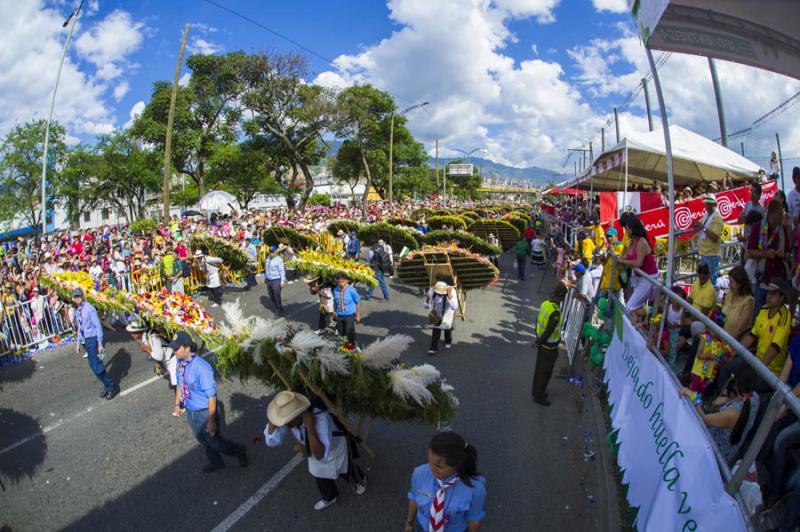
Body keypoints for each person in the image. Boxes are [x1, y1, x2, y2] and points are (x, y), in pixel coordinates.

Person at [264, 391, 367, 511]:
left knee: (343, 468)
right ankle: (330, 497)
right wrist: (274, 420)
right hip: (314, 449)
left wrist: (310, 428)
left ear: (295, 417)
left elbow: (320, 454)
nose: (282, 424)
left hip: (333, 448)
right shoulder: (289, 423)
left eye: (283, 420)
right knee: (318, 473)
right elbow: (271, 442)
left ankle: (360, 479)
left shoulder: (321, 419)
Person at [171, 331, 248, 473]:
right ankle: (216, 462)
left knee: (215, 442)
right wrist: (178, 404)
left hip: (205, 412)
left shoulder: (202, 367)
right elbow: (180, 384)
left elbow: (211, 396)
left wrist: (211, 420)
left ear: (187, 348)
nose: (174, 351)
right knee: (202, 440)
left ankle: (239, 450)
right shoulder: (180, 363)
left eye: (176, 348)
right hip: (191, 410)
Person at [405, 431, 486, 532]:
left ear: (457, 464)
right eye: (430, 462)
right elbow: (414, 498)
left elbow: (474, 520)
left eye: (439, 466)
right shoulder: (419, 473)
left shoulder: (475, 488)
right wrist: (409, 523)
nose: (431, 468)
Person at [680, 364, 759, 464]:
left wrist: (692, 395)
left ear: (736, 383)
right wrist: (728, 400)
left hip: (713, 456)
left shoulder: (732, 414)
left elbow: (703, 419)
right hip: (727, 450)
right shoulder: (755, 398)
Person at [126, 319, 181, 415]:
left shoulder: (152, 337)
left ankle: (179, 405)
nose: (132, 335)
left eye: (133, 333)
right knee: (178, 381)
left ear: (139, 332)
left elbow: (158, 355)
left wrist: (147, 350)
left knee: (177, 383)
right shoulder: (145, 337)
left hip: (172, 360)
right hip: (167, 361)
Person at [73, 287, 119, 399]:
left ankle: (112, 387)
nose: (77, 298)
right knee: (94, 366)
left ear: (82, 296)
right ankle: (107, 385)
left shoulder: (89, 309)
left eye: (79, 296)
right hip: (86, 341)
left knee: (97, 367)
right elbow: (80, 327)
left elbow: (98, 326)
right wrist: (78, 343)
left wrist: (100, 343)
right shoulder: (78, 310)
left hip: (93, 339)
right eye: (75, 297)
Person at [747, 200, 788, 313]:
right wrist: (766, 253)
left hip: (777, 279)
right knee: (759, 311)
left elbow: (788, 254)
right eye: (781, 213)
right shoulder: (758, 227)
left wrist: (784, 255)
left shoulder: (782, 229)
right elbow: (750, 252)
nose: (782, 216)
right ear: (773, 214)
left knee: (775, 313)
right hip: (763, 277)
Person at [532, 284, 567, 406]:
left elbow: (537, 321)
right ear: (562, 297)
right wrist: (538, 342)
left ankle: (536, 391)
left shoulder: (546, 303)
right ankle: (539, 396)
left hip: (542, 344)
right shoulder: (555, 312)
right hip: (549, 347)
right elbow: (549, 330)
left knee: (539, 369)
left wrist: (537, 339)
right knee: (545, 372)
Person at [618, 218, 658, 322]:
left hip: (648, 279)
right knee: (633, 307)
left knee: (630, 308)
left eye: (627, 229)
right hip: (638, 278)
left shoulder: (642, 242)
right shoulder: (631, 242)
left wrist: (623, 261)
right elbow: (627, 255)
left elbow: (638, 262)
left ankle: (655, 311)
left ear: (632, 229)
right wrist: (623, 258)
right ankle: (640, 322)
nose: (626, 231)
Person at [693, 195, 723, 282]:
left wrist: (702, 227)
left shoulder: (717, 218)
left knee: (709, 282)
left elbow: (715, 237)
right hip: (705, 252)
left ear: (714, 205)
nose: (708, 206)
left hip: (711, 254)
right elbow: (702, 225)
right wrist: (696, 224)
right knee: (704, 280)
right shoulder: (707, 215)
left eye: (710, 204)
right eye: (707, 204)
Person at [427, 281, 459, 354]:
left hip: (448, 312)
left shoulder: (452, 291)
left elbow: (455, 307)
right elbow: (426, 306)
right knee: (436, 329)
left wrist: (450, 295)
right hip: (437, 313)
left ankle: (448, 341)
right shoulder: (432, 290)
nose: (439, 294)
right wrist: (428, 299)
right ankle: (433, 348)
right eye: (438, 292)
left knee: (447, 329)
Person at [332, 273, 361, 345]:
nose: (341, 284)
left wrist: (358, 315)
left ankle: (352, 346)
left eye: (342, 282)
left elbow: (357, 302)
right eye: (339, 282)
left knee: (349, 332)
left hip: (349, 315)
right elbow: (335, 302)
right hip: (339, 315)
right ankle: (342, 347)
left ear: (346, 281)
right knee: (340, 333)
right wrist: (333, 313)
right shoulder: (335, 290)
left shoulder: (352, 290)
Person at [265, 244, 287, 317]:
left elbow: (282, 270)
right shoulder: (268, 258)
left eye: (272, 252)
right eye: (270, 251)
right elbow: (267, 269)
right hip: (269, 280)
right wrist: (266, 277)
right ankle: (279, 307)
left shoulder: (278, 259)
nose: (270, 253)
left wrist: (282, 281)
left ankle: (279, 309)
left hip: (276, 279)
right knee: (271, 297)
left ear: (275, 252)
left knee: (276, 295)